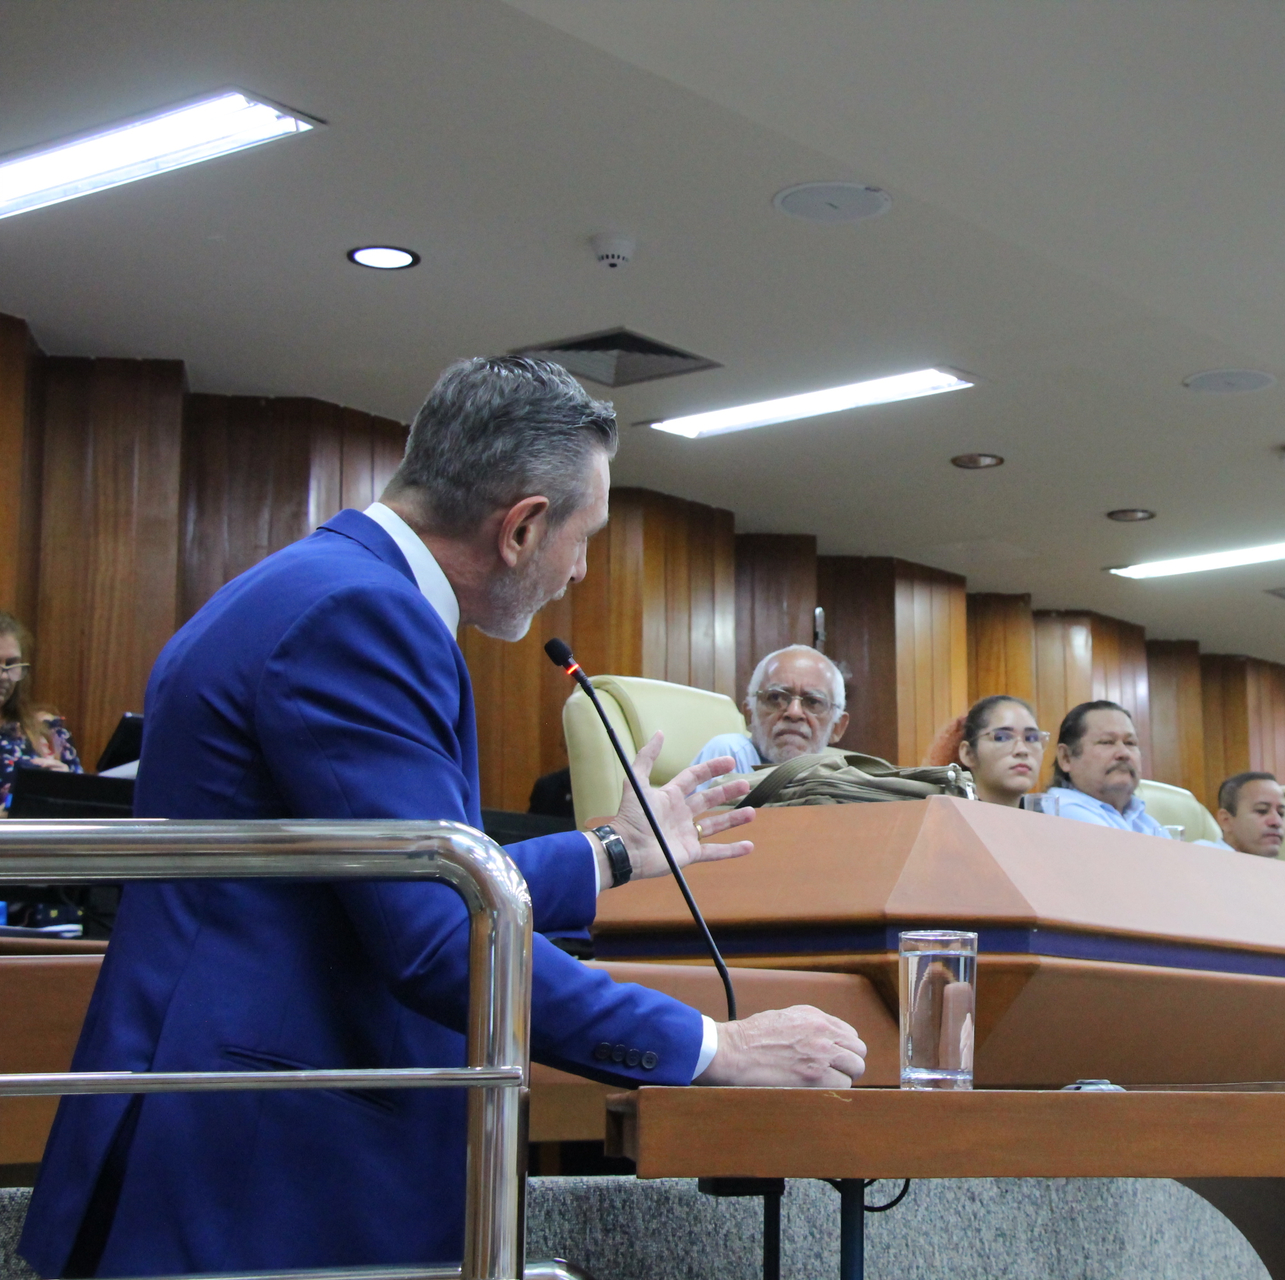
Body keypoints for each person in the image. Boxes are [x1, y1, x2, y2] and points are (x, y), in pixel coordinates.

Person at [20, 357, 866, 1279]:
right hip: (250, 1169)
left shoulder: (316, 585)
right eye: (585, 539)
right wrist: (712, 1046)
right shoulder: (359, 617)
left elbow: (391, 878)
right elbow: (437, 941)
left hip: (224, 1140)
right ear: (523, 528)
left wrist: (614, 851)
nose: (580, 571)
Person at [691, 644, 850, 776]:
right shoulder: (729, 753)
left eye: (813, 701)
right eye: (776, 697)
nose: (794, 712)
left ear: (838, 727)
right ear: (749, 714)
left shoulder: (842, 776)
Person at [1041, 700, 1168, 837]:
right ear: (1066, 758)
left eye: (1130, 743)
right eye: (1107, 742)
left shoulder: (1145, 822)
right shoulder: (1061, 811)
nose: (1124, 753)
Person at [0, 611, 82, 814]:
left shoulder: (48, 731)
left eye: (11, 665)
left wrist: (68, 790)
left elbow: (87, 813)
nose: (4, 676)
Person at [924, 694, 1047, 806]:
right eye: (1002, 737)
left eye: (1032, 738)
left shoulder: (1047, 818)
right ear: (968, 754)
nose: (1022, 750)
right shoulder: (944, 817)